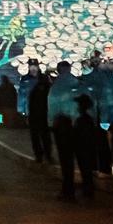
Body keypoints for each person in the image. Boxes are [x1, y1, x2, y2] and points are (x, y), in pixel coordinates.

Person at [48, 61, 94, 200]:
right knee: (84, 159)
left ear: (58, 70)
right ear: (69, 69)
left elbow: (52, 107)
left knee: (66, 160)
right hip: (81, 125)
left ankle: (68, 191)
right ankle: (88, 189)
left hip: (64, 126)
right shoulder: (79, 85)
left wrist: (51, 123)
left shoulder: (56, 87)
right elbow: (91, 103)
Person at [27, 71, 52, 163]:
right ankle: (47, 155)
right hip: (44, 116)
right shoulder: (49, 89)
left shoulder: (35, 89)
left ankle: (39, 155)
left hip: (35, 117)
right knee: (45, 137)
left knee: (36, 137)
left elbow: (31, 104)